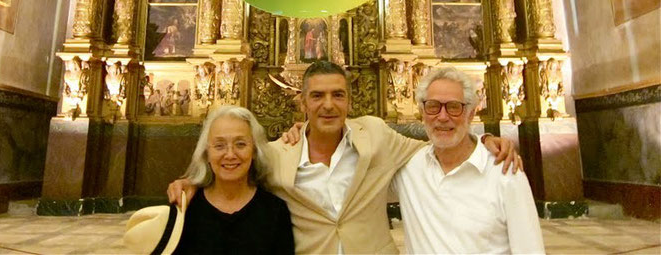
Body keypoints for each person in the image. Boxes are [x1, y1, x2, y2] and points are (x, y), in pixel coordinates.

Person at [169, 61, 520, 254]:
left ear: (349, 100)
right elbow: (235, 174)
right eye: (318, 95)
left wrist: (483, 137)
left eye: (338, 94)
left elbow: (434, 147)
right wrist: (193, 182)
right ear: (302, 102)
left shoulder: (376, 136)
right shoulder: (278, 155)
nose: (328, 104)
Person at [393, 67, 544, 254]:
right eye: (433, 106)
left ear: (471, 114)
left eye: (454, 107)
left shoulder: (505, 172)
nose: (442, 117)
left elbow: (529, 249)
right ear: (422, 112)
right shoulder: (408, 166)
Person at [173, 106, 294, 254]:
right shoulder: (185, 208)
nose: (230, 154)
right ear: (206, 154)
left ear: (255, 151)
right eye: (219, 146)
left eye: (240, 144)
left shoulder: (275, 210)